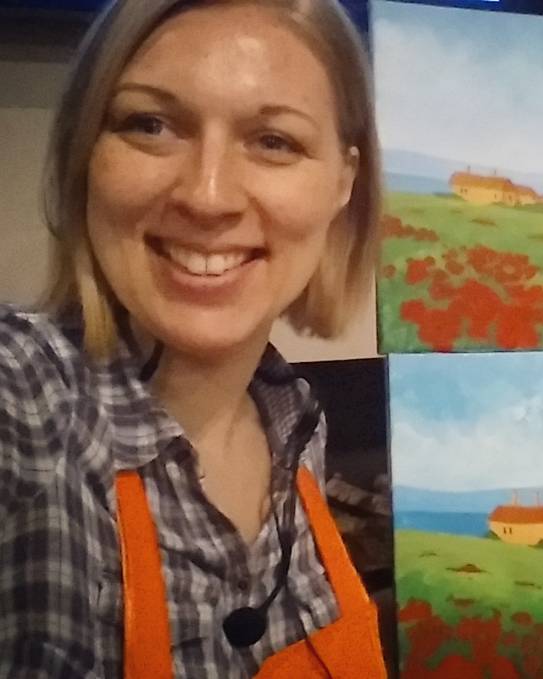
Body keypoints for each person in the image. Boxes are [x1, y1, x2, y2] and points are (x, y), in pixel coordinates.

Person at [0, 0, 386, 676]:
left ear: (342, 182)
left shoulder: (297, 423)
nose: (208, 196)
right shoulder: (29, 405)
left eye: (274, 141)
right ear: (85, 154)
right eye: (149, 125)